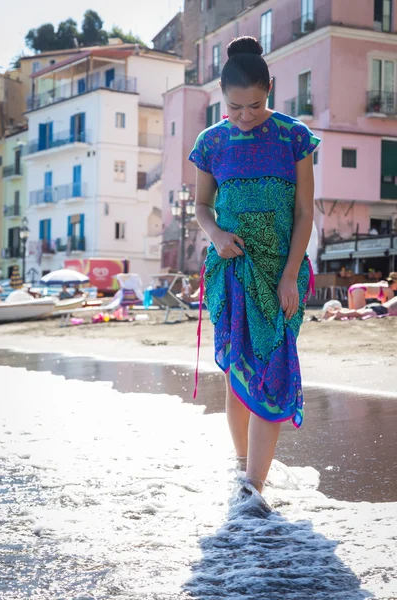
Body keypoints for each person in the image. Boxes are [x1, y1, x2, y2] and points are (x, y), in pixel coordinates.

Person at [189, 36, 320, 495]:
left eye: (255, 104)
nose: (244, 116)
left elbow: (305, 211)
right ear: (220, 99)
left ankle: (253, 490)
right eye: (233, 107)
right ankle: (244, 473)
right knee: (237, 374)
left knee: (271, 367)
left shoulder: (294, 136)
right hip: (229, 268)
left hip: (281, 270)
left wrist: (289, 275)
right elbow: (202, 207)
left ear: (271, 89)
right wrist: (218, 236)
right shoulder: (210, 142)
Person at [324, 296, 397, 320]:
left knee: (359, 312)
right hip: (381, 309)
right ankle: (340, 313)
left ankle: (336, 312)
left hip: (379, 307)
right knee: (359, 313)